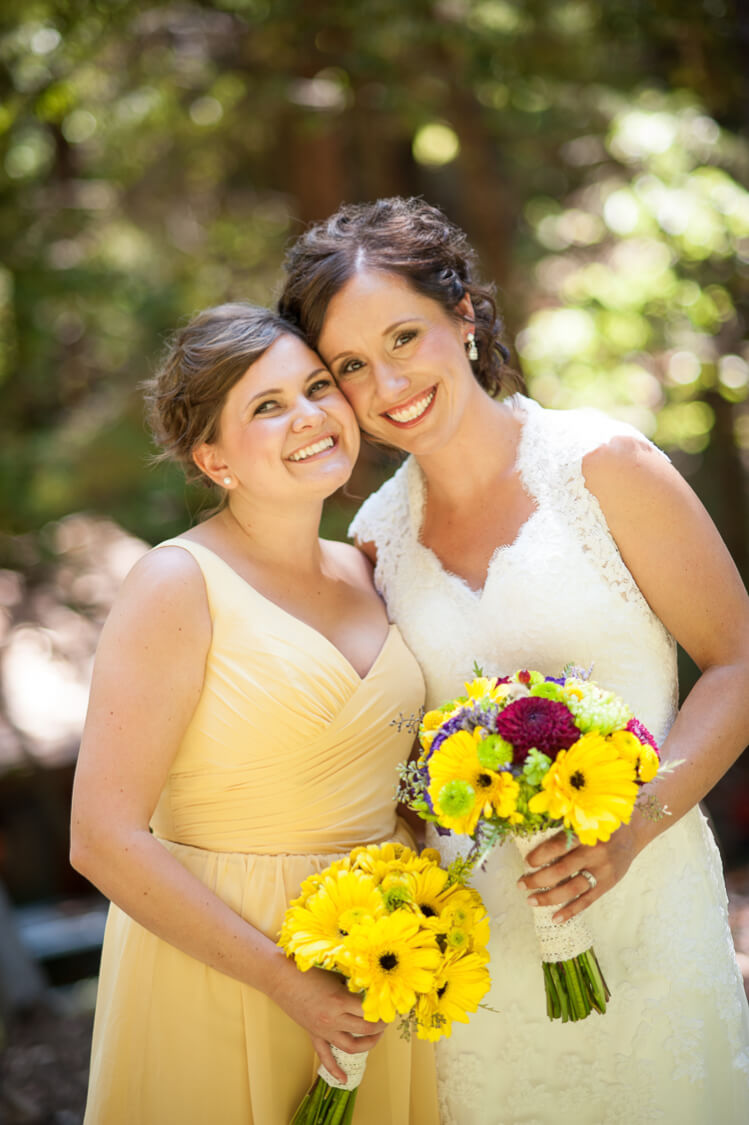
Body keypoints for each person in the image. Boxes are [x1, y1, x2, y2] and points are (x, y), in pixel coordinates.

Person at [279, 197, 749, 1125]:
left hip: (645, 912)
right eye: (350, 367)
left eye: (405, 336)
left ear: (464, 314)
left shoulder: (601, 465)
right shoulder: (375, 539)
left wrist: (633, 825)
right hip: (480, 958)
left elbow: (735, 661)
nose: (388, 383)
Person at [70, 302, 438, 1125]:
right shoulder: (176, 583)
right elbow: (101, 837)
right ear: (214, 458)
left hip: (378, 962)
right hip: (226, 959)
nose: (308, 416)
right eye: (266, 406)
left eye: (315, 387)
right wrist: (282, 977)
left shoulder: (375, 567)